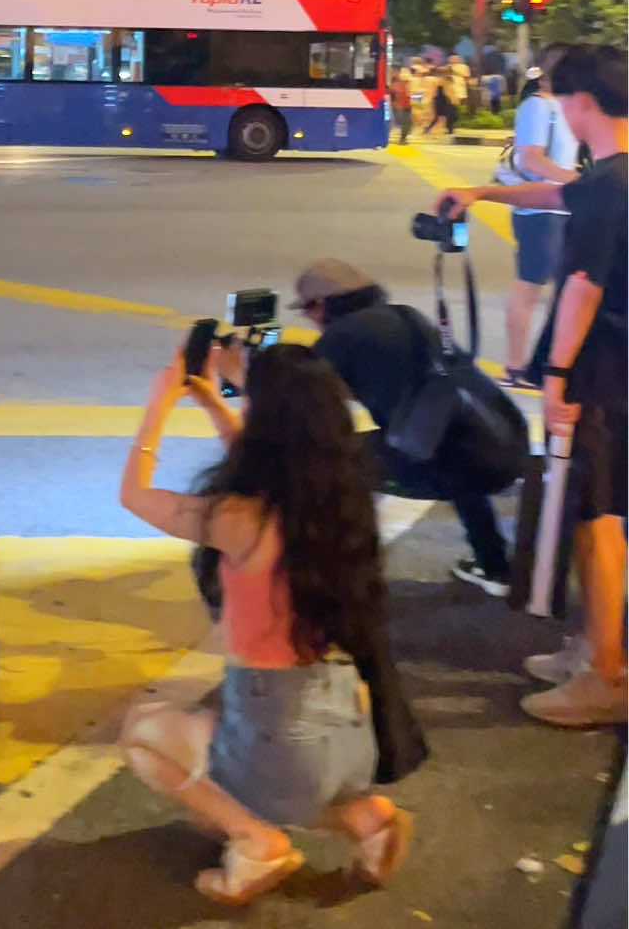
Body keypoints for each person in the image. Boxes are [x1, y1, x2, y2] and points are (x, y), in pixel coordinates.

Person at [118, 343, 411, 906]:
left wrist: (159, 405)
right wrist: (210, 402)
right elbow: (261, 463)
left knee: (144, 732)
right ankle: (370, 820)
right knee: (303, 785)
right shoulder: (337, 500)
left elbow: (134, 495)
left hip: (276, 725)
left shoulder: (238, 518)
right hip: (347, 719)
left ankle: (257, 844)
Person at [439, 43, 627, 728]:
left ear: (581, 104)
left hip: (600, 370)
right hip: (616, 367)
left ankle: (605, 674)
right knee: (596, 507)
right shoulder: (612, 176)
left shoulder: (612, 182)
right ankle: (597, 647)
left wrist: (554, 376)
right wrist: (483, 191)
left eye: (562, 101)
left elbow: (583, 285)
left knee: (596, 514)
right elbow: (558, 192)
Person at [292, 259, 513, 595]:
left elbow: (293, 400)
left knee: (330, 461)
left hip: (453, 462)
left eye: (307, 311)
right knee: (451, 443)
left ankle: (338, 577)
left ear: (320, 305)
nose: (308, 320)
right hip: (501, 449)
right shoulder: (405, 317)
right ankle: (494, 565)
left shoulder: (342, 336)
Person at [500, 50, 579, 387]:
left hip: (560, 208)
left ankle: (546, 363)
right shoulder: (537, 106)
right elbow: (531, 159)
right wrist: (573, 180)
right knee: (530, 289)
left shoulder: (565, 105)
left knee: (561, 291)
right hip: (539, 211)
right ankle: (517, 366)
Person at [392, 65, 414, 144]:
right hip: (404, 106)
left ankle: (403, 139)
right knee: (406, 123)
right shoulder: (404, 85)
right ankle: (402, 139)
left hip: (403, 106)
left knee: (407, 123)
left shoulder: (398, 85)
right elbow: (411, 95)